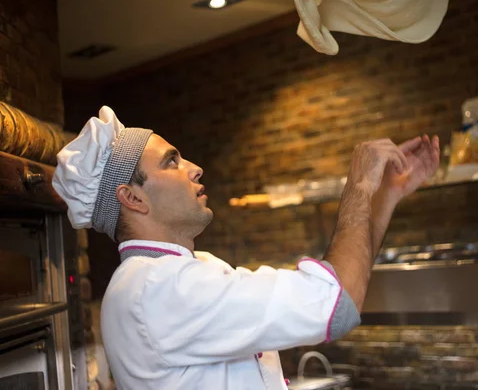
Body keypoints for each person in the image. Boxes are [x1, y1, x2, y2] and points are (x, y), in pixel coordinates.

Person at [52, 106, 440, 390]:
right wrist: (358, 185)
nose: (195, 167)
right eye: (172, 162)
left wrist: (384, 197)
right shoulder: (158, 288)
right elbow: (337, 304)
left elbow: (340, 290)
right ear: (132, 198)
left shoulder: (185, 270)